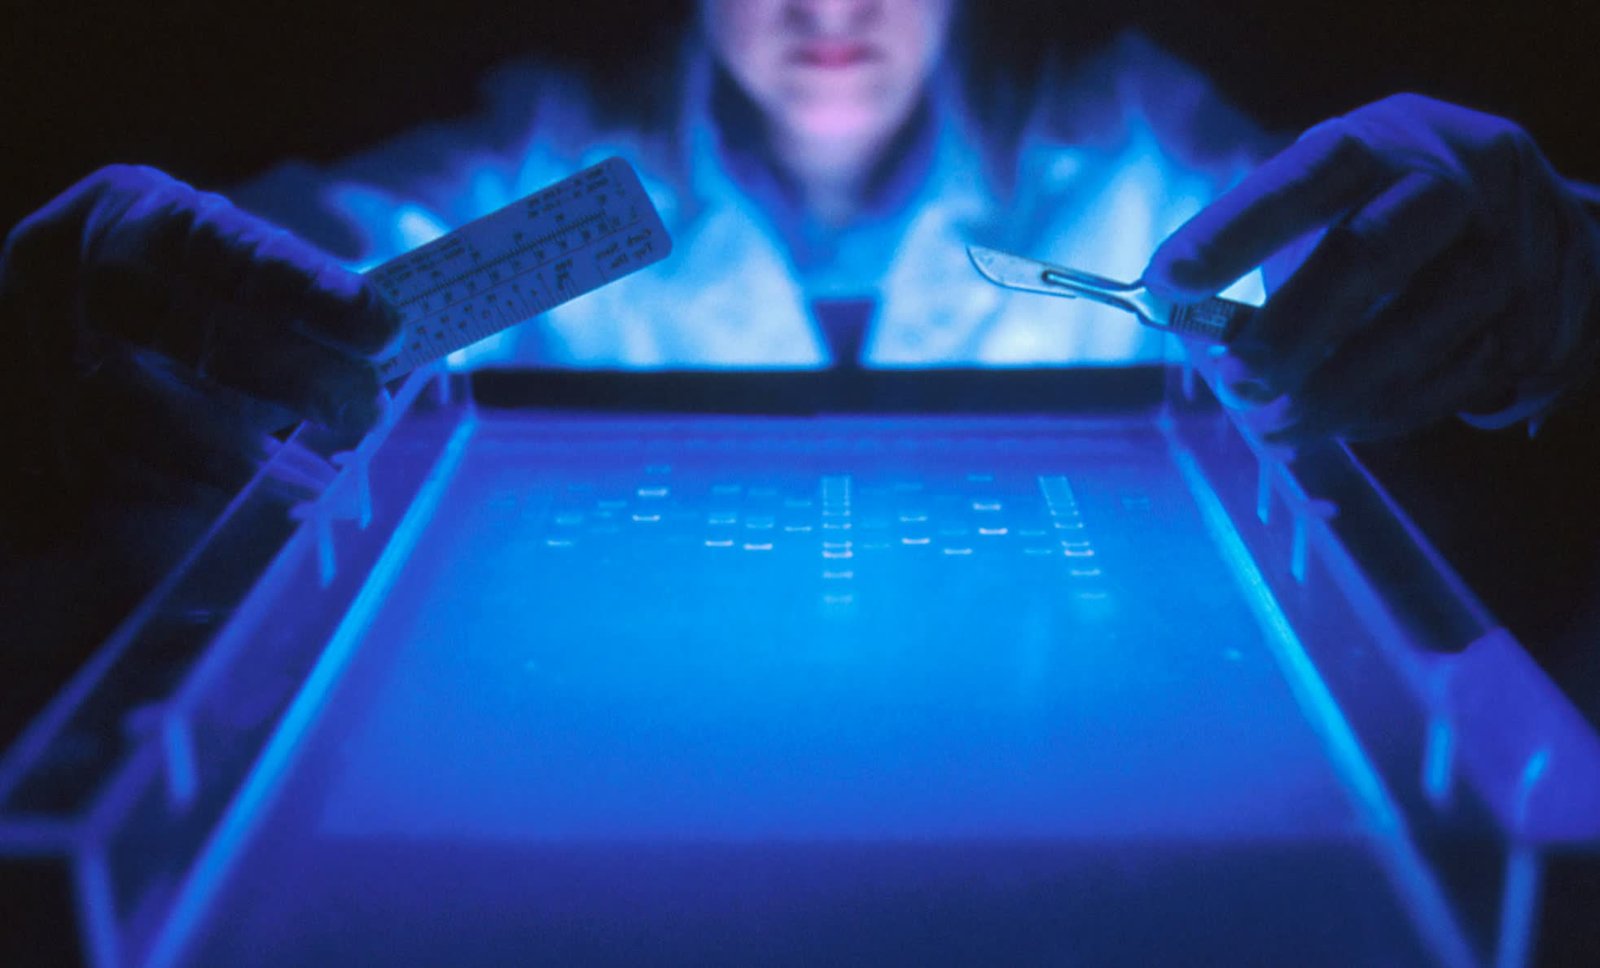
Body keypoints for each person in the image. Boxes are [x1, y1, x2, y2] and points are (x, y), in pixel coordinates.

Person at [2, 1, 1598, 686]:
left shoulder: (1139, 158)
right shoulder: (526, 175)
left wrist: (1561, 273)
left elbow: (1415, 268)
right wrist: (65, 337)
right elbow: (264, 292)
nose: (828, 7)